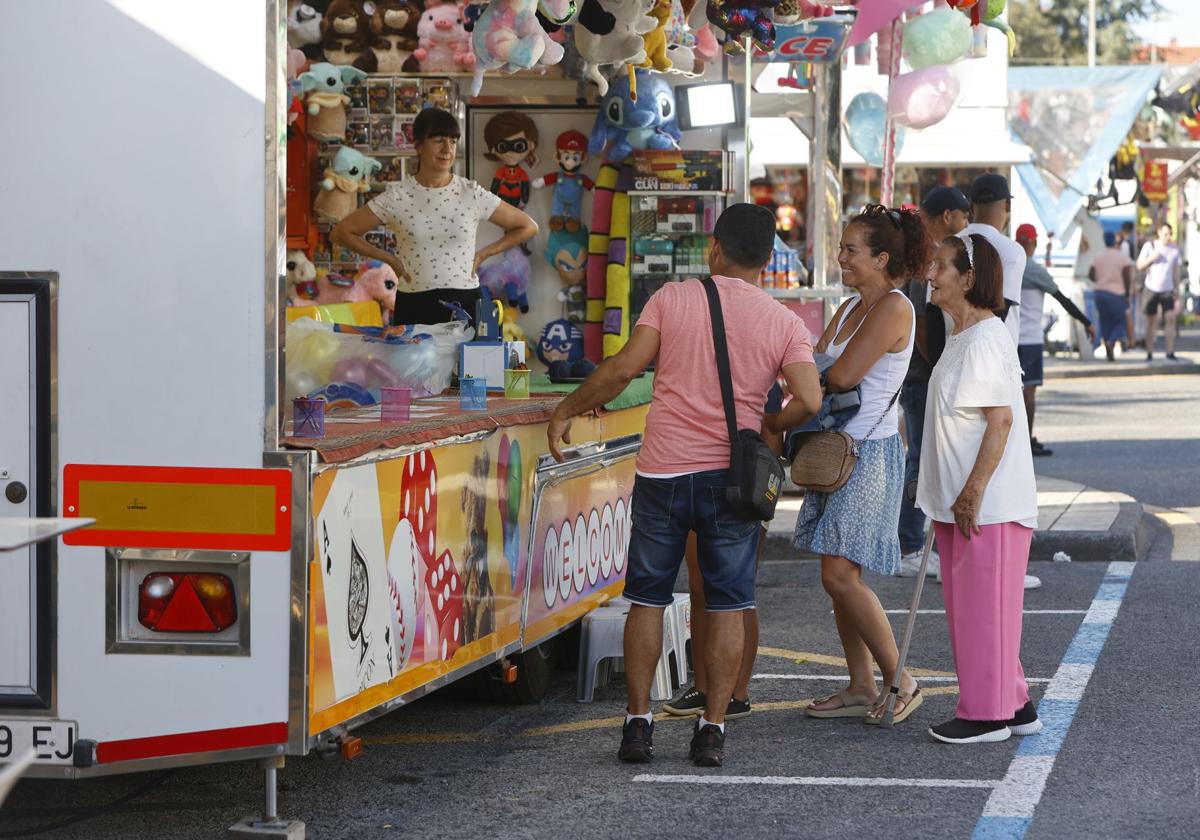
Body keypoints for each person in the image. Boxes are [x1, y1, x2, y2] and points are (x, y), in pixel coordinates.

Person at [546, 204, 821, 767]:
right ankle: (712, 728)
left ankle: (638, 724)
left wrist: (567, 409)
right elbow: (811, 399)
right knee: (726, 603)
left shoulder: (672, 298)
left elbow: (623, 370)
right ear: (768, 261)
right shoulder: (785, 323)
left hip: (663, 474)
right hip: (732, 483)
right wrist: (771, 425)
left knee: (646, 598)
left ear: (715, 249)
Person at [792, 204, 927, 725]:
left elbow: (839, 374)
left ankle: (901, 679)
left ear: (882, 257)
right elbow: (814, 366)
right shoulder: (850, 308)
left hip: (867, 452)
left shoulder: (894, 307)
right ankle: (859, 683)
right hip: (833, 449)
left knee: (840, 573)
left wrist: (809, 374)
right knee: (836, 573)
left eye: (851, 250)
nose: (842, 258)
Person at [917, 232, 1041, 744]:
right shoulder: (964, 335)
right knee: (984, 611)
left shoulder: (985, 336)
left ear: (969, 278)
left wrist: (971, 493)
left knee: (982, 614)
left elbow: (1002, 421)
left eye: (943, 266)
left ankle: (986, 715)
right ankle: (1013, 704)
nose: (931, 274)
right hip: (970, 503)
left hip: (984, 505)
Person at [331, 108, 538, 328]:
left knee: (465, 363)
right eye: (439, 140)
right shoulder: (397, 196)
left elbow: (527, 226)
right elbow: (341, 233)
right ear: (418, 145)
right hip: (415, 302)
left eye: (453, 141)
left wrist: (484, 254)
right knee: (413, 364)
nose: (447, 149)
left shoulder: (471, 193)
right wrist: (388, 258)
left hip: (465, 302)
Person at [662, 387, 785, 722]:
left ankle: (738, 693)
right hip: (695, 474)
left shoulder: (760, 349)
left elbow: (775, 427)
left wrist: (758, 487)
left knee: (738, 592)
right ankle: (702, 687)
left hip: (743, 483)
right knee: (700, 586)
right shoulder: (698, 351)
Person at [897, 186, 969, 579]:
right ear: (947, 217)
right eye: (963, 216)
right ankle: (909, 543)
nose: (966, 224)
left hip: (924, 376)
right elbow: (922, 322)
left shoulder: (928, 253)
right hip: (923, 378)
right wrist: (939, 365)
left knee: (930, 460)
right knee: (923, 461)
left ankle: (917, 542)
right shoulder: (927, 257)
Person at [1013, 224, 1096, 458]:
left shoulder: (1006, 267)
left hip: (1008, 338)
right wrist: (1086, 322)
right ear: (1032, 243)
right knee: (1028, 394)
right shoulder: (1036, 271)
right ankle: (1026, 442)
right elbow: (1063, 300)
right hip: (1030, 339)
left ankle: (1015, 442)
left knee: (1010, 393)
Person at [962, 174, 1025, 347]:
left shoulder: (948, 245)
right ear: (1008, 205)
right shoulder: (1012, 251)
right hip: (995, 360)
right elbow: (1000, 312)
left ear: (971, 208)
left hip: (949, 357)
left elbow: (931, 316)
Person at [1137, 223, 1183, 361]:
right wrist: (1151, 258)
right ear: (1159, 233)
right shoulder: (1150, 246)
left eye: (1170, 234)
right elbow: (1139, 266)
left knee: (1170, 319)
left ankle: (1170, 351)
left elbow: (1175, 271)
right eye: (1165, 234)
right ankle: (1149, 352)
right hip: (1151, 288)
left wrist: (1177, 289)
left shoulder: (1174, 249)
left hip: (1167, 290)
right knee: (1151, 321)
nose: (1168, 237)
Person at [1088, 231, 1136, 361]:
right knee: (1121, 322)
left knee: (1105, 321)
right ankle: (1111, 342)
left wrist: (1100, 279)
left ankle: (1109, 346)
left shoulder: (1098, 256)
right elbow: (1127, 275)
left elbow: (1091, 274)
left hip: (1099, 292)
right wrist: (1126, 292)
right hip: (1116, 293)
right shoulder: (1121, 257)